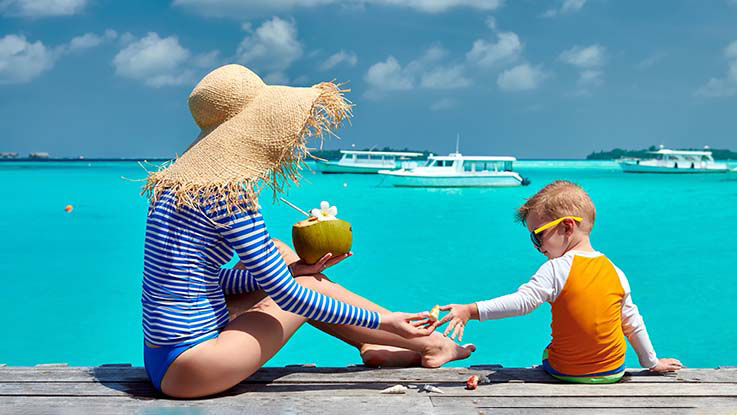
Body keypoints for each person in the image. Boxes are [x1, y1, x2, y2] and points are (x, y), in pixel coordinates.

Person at [140, 64, 474, 398]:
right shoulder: (230, 196)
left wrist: (289, 270)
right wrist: (385, 322)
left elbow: (199, 279)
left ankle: (376, 342)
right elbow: (289, 296)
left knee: (283, 255)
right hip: (195, 366)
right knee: (307, 285)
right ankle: (426, 342)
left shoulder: (172, 190)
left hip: (161, 358)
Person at [433, 180, 682, 383]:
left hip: (568, 372)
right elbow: (632, 322)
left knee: (547, 353)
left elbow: (523, 303)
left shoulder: (556, 268)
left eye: (538, 236)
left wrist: (470, 310)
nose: (536, 246)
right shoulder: (615, 271)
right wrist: (652, 362)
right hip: (612, 372)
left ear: (566, 227)